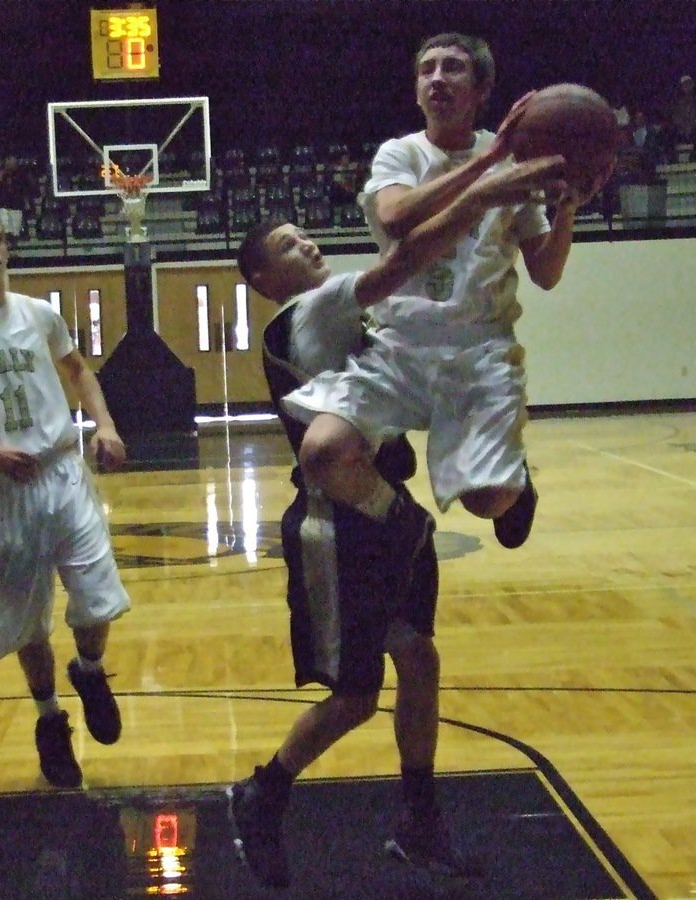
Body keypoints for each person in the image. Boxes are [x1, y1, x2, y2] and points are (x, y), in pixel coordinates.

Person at [227, 145, 566, 887]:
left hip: (387, 505)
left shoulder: (359, 318)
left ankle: (418, 821)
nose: (306, 242)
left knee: (420, 658)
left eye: (302, 233)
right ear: (261, 280)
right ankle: (263, 793)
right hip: (341, 521)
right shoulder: (300, 316)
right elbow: (403, 261)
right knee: (354, 697)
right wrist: (484, 195)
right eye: (287, 244)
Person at [282, 32, 609, 557]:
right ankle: (402, 520)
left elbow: (545, 272)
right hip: (399, 345)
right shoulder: (402, 153)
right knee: (320, 453)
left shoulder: (515, 163)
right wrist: (490, 163)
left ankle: (513, 481)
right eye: (427, 69)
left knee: (487, 502)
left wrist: (569, 206)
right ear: (416, 91)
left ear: (481, 91)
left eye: (453, 68)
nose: (437, 78)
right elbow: (396, 217)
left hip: (480, 351)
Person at [0, 210, 132, 789]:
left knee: (97, 600)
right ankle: (49, 719)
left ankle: (89, 671)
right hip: (2, 490)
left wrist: (105, 424)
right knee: (27, 620)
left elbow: (80, 372)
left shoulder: (40, 314)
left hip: (63, 472)